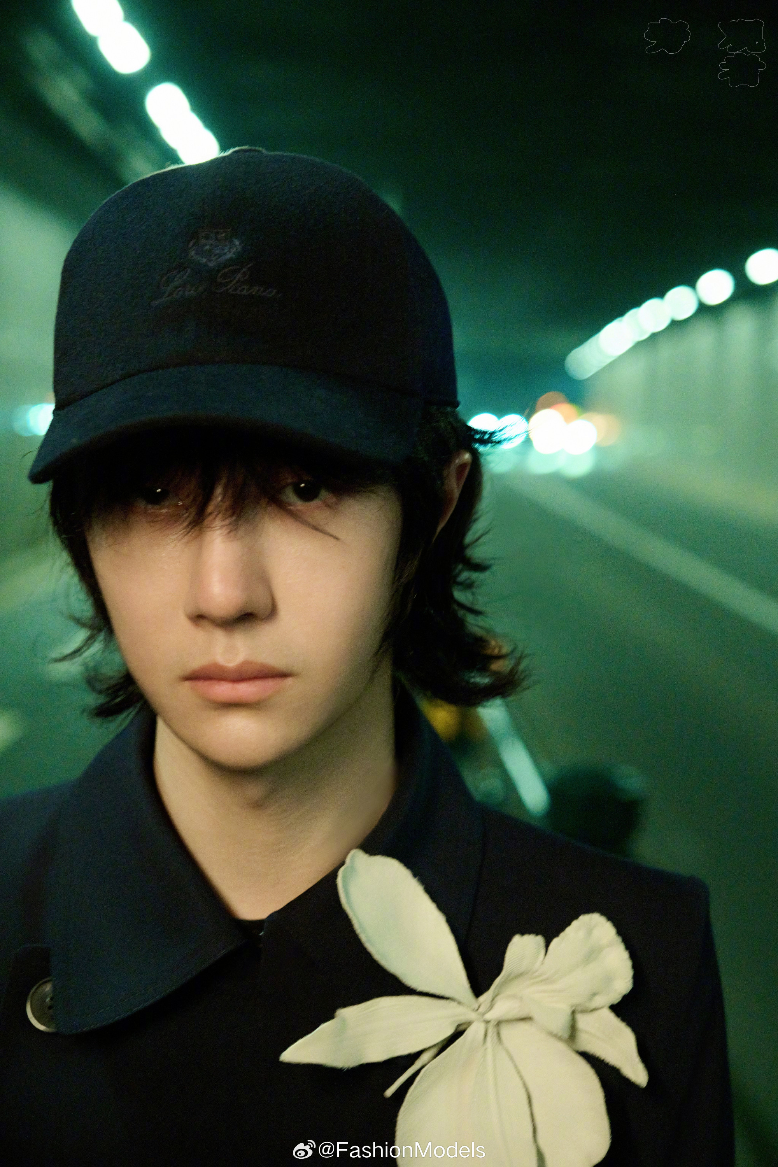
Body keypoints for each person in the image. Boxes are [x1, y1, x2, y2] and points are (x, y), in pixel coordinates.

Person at [0, 148, 733, 1165]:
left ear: (435, 508)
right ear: (82, 527)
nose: (225, 593)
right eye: (153, 494)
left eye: (305, 487)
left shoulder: (630, 959)